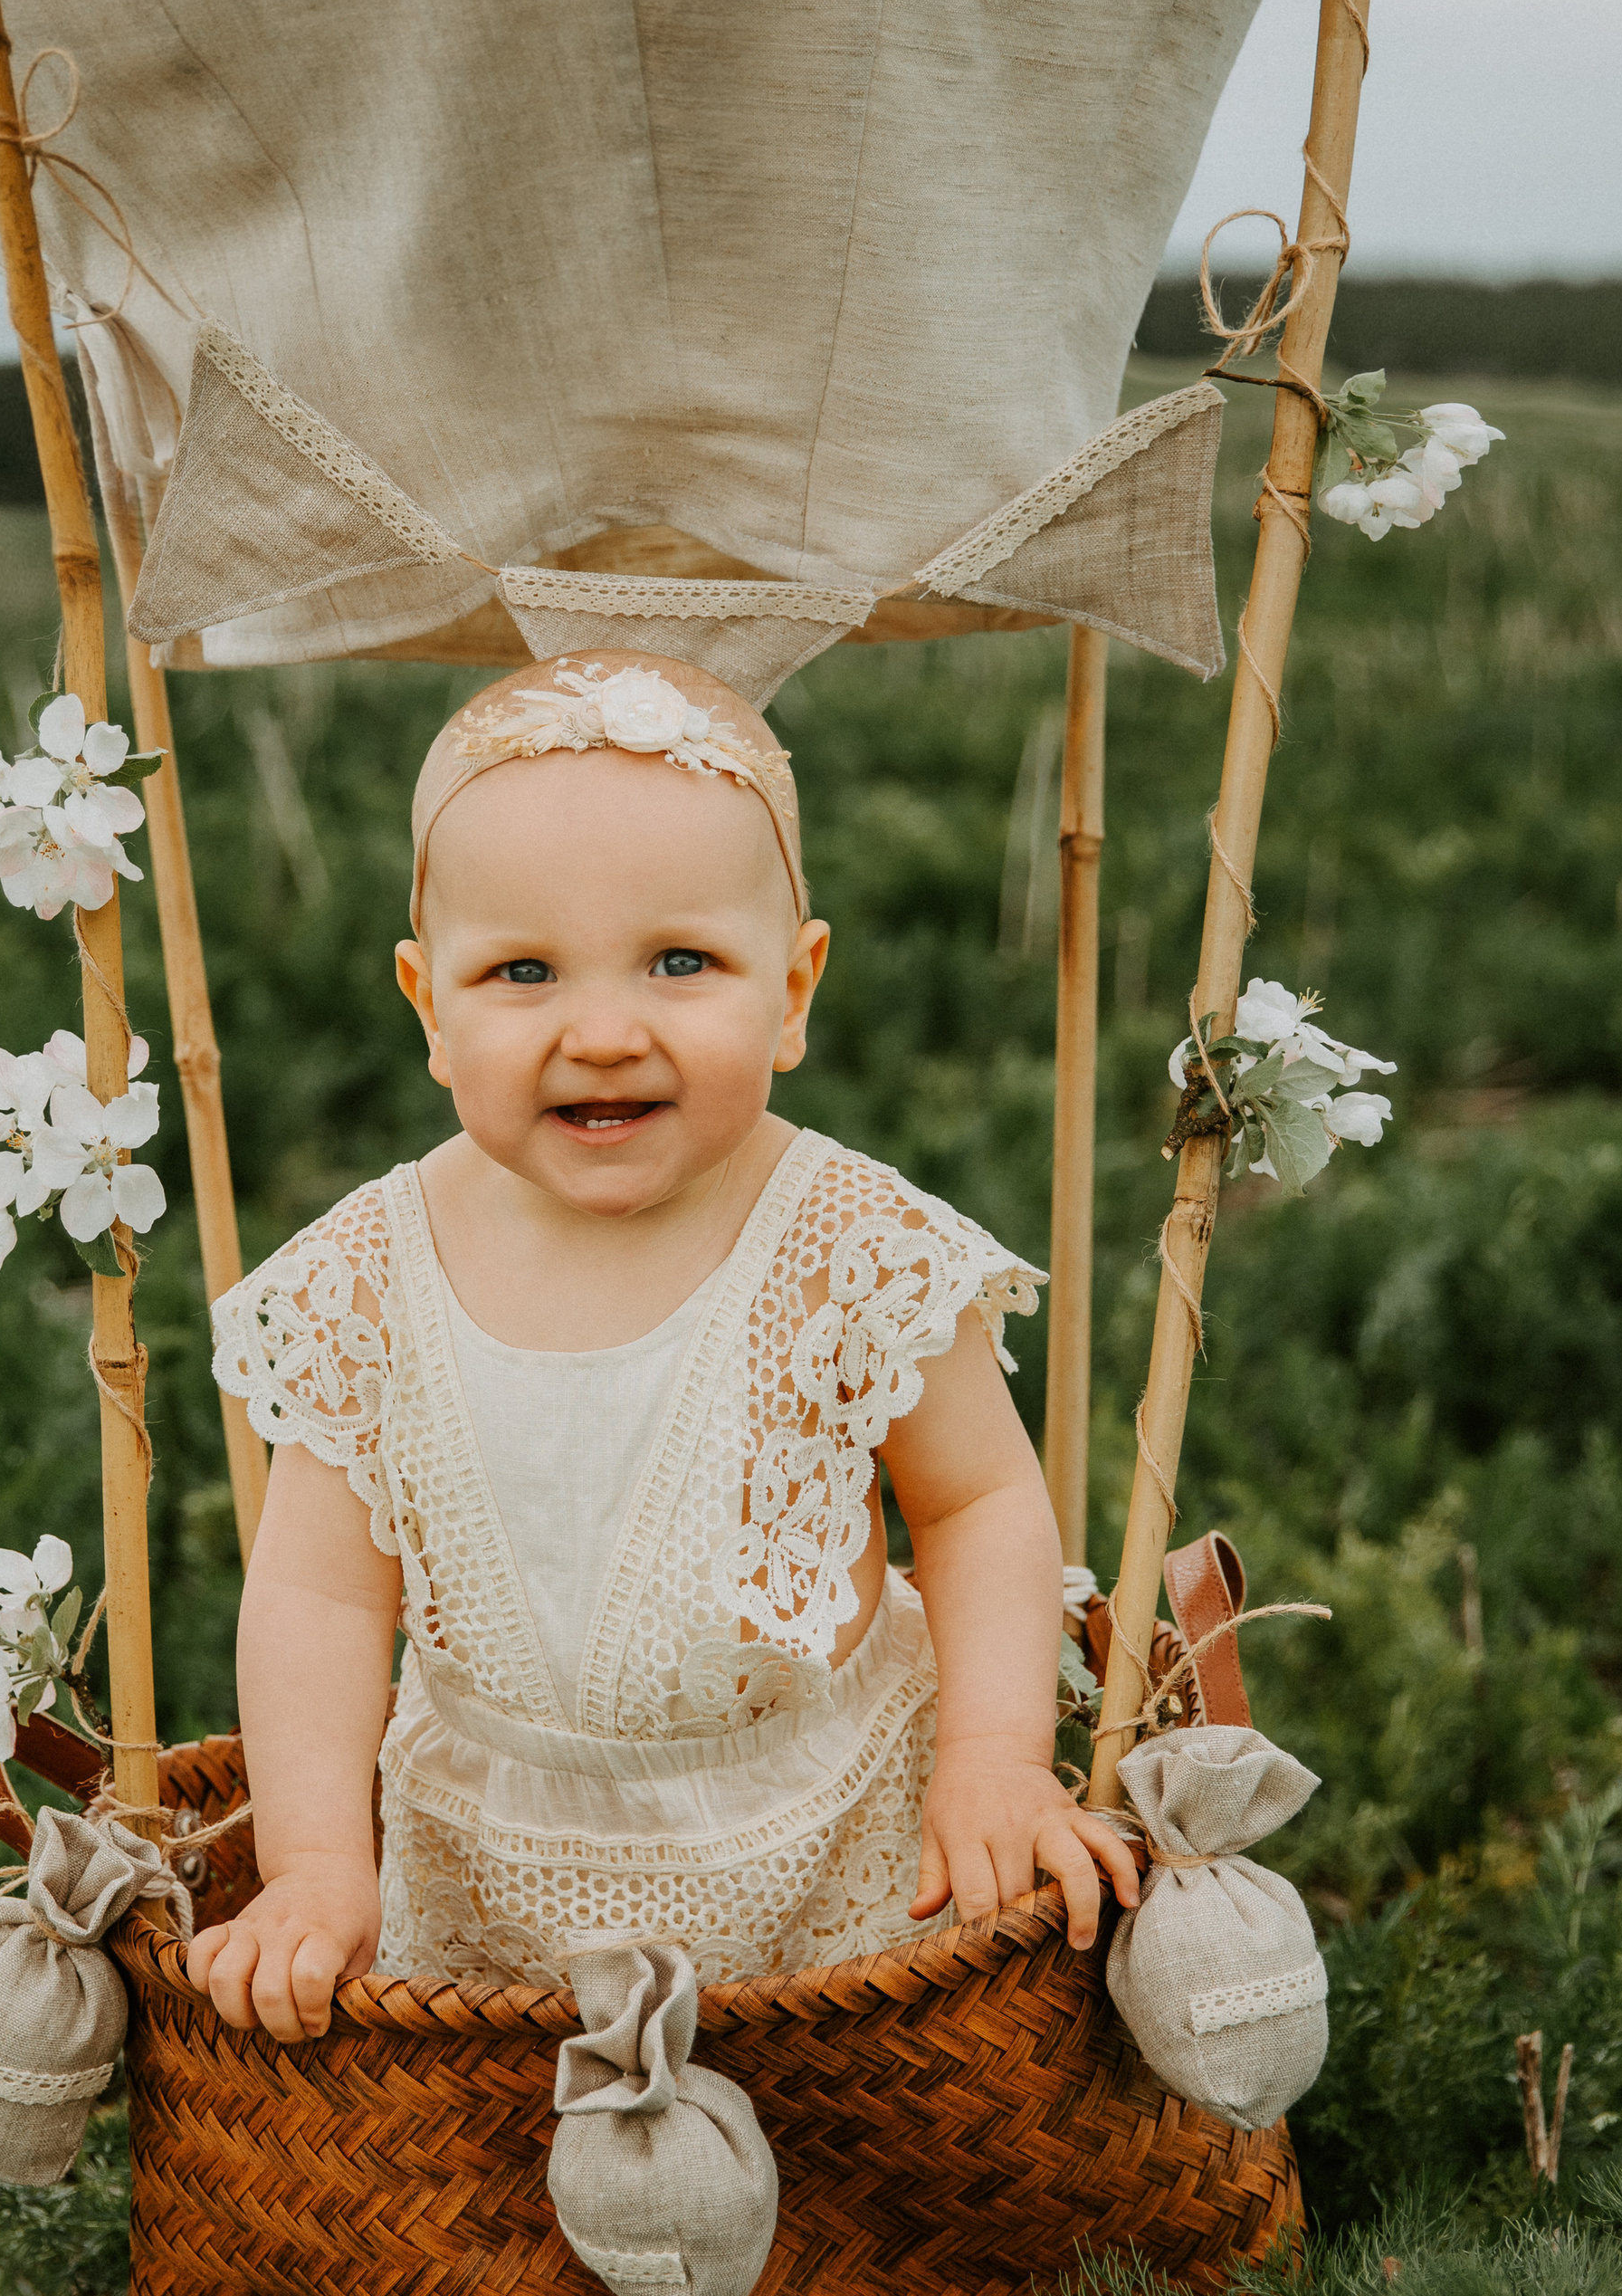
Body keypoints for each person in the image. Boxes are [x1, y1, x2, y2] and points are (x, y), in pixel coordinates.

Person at [187, 655, 1139, 2043]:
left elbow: (978, 1506)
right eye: (522, 972)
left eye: (681, 962)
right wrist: (321, 1863)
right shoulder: (367, 1280)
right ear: (428, 1006)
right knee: (509, 2151)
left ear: (795, 988)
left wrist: (995, 1759)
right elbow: (319, 1599)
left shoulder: (849, 1247)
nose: (604, 1032)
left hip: (830, 1848)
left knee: (855, 2123)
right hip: (494, 1877)